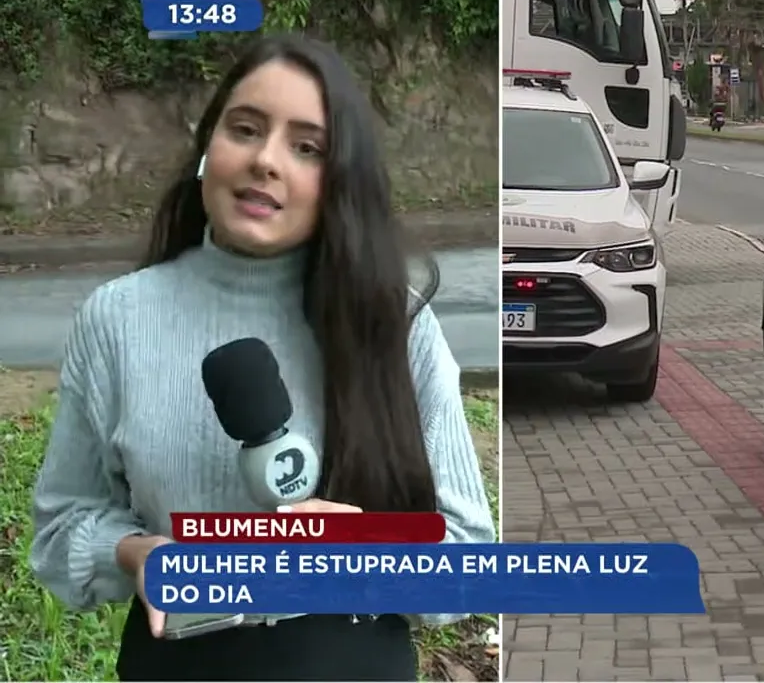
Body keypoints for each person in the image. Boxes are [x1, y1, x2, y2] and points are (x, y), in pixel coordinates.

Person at [27, 34, 496, 681]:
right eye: (245, 130)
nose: (266, 161)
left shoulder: (395, 323)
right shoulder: (118, 318)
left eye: (307, 148)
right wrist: (140, 554)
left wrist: (357, 552)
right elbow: (63, 529)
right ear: (207, 149)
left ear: (338, 182)